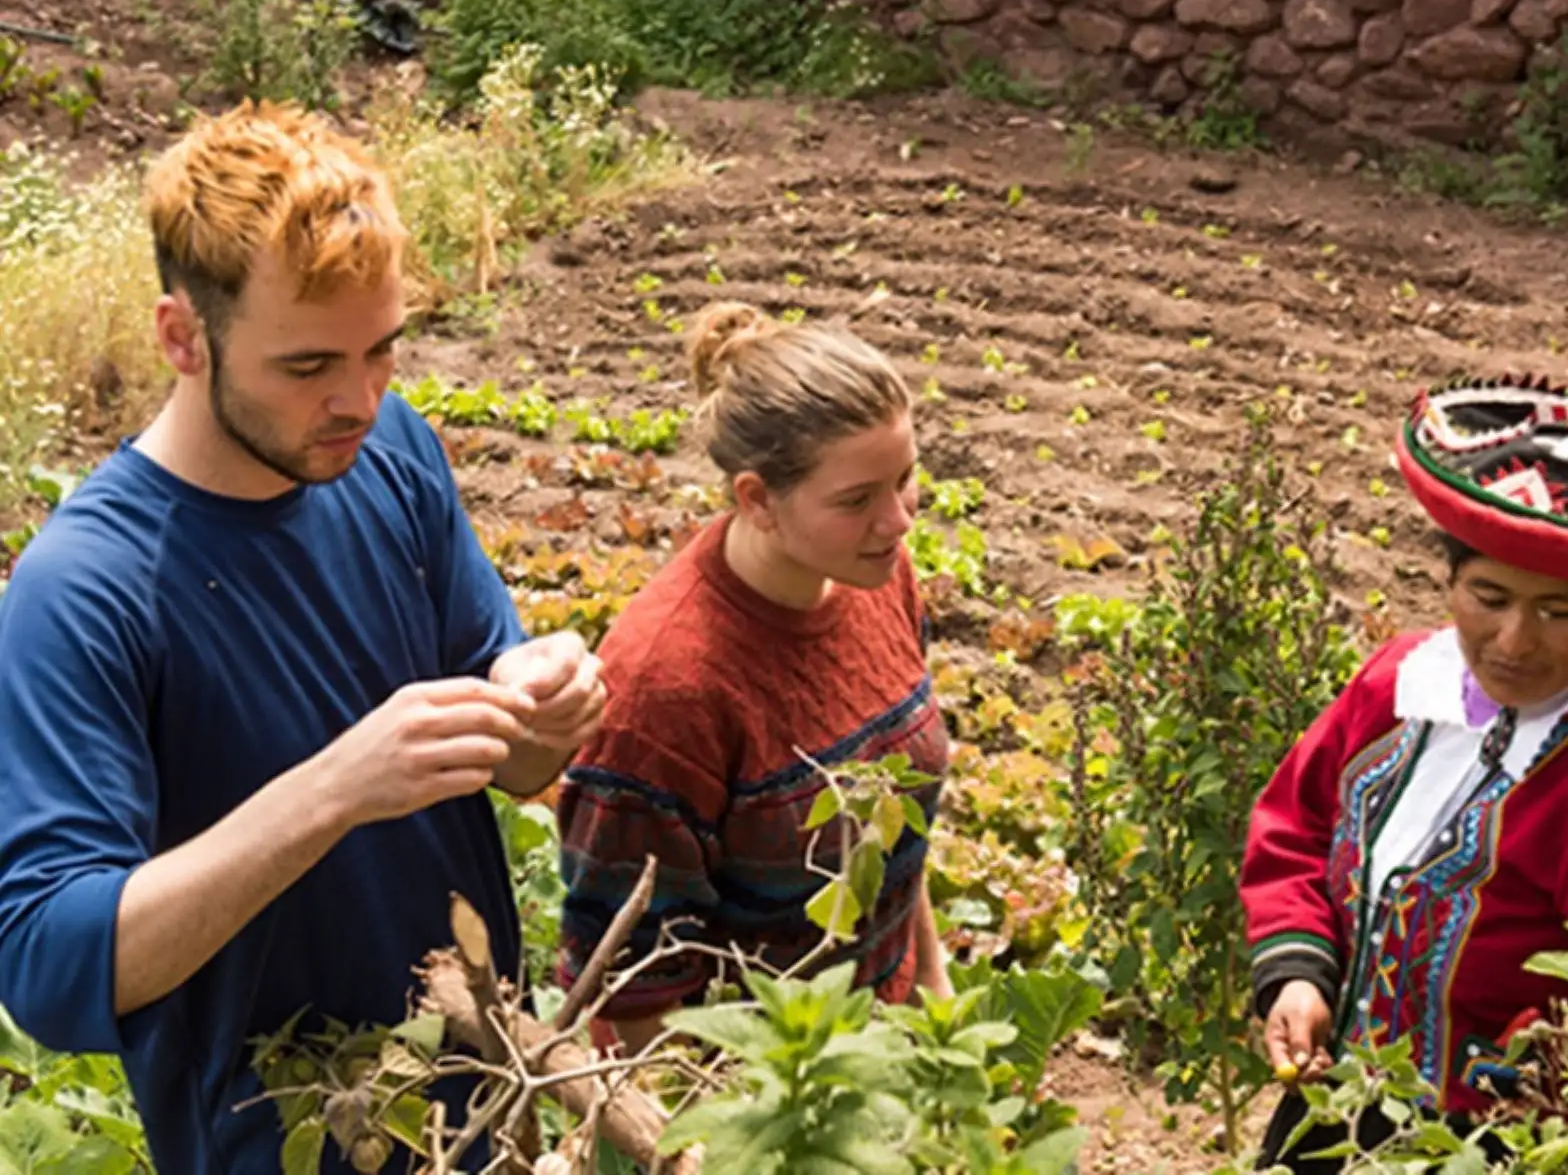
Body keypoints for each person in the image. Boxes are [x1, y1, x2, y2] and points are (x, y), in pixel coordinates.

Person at [0, 100, 611, 1173]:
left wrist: (541, 700)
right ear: (182, 337)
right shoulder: (86, 589)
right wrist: (335, 788)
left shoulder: (390, 453)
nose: (359, 399)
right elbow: (51, 964)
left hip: (481, 1103)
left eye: (382, 350)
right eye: (307, 365)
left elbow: (516, 763)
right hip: (275, 1140)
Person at [1240, 375, 1568, 1172]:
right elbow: (1296, 831)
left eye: (1558, 611)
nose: (1514, 640)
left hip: (1500, 1149)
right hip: (1330, 1112)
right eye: (1489, 597)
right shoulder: (1397, 689)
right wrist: (1298, 977)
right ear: (1448, 582)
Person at [554, 301, 953, 1054]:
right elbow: (631, 986)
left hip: (883, 1053)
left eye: (904, 479)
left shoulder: (876, 574)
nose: (900, 521)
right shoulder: (668, 690)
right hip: (759, 1088)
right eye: (856, 500)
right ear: (757, 500)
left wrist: (933, 991)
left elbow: (889, 824)